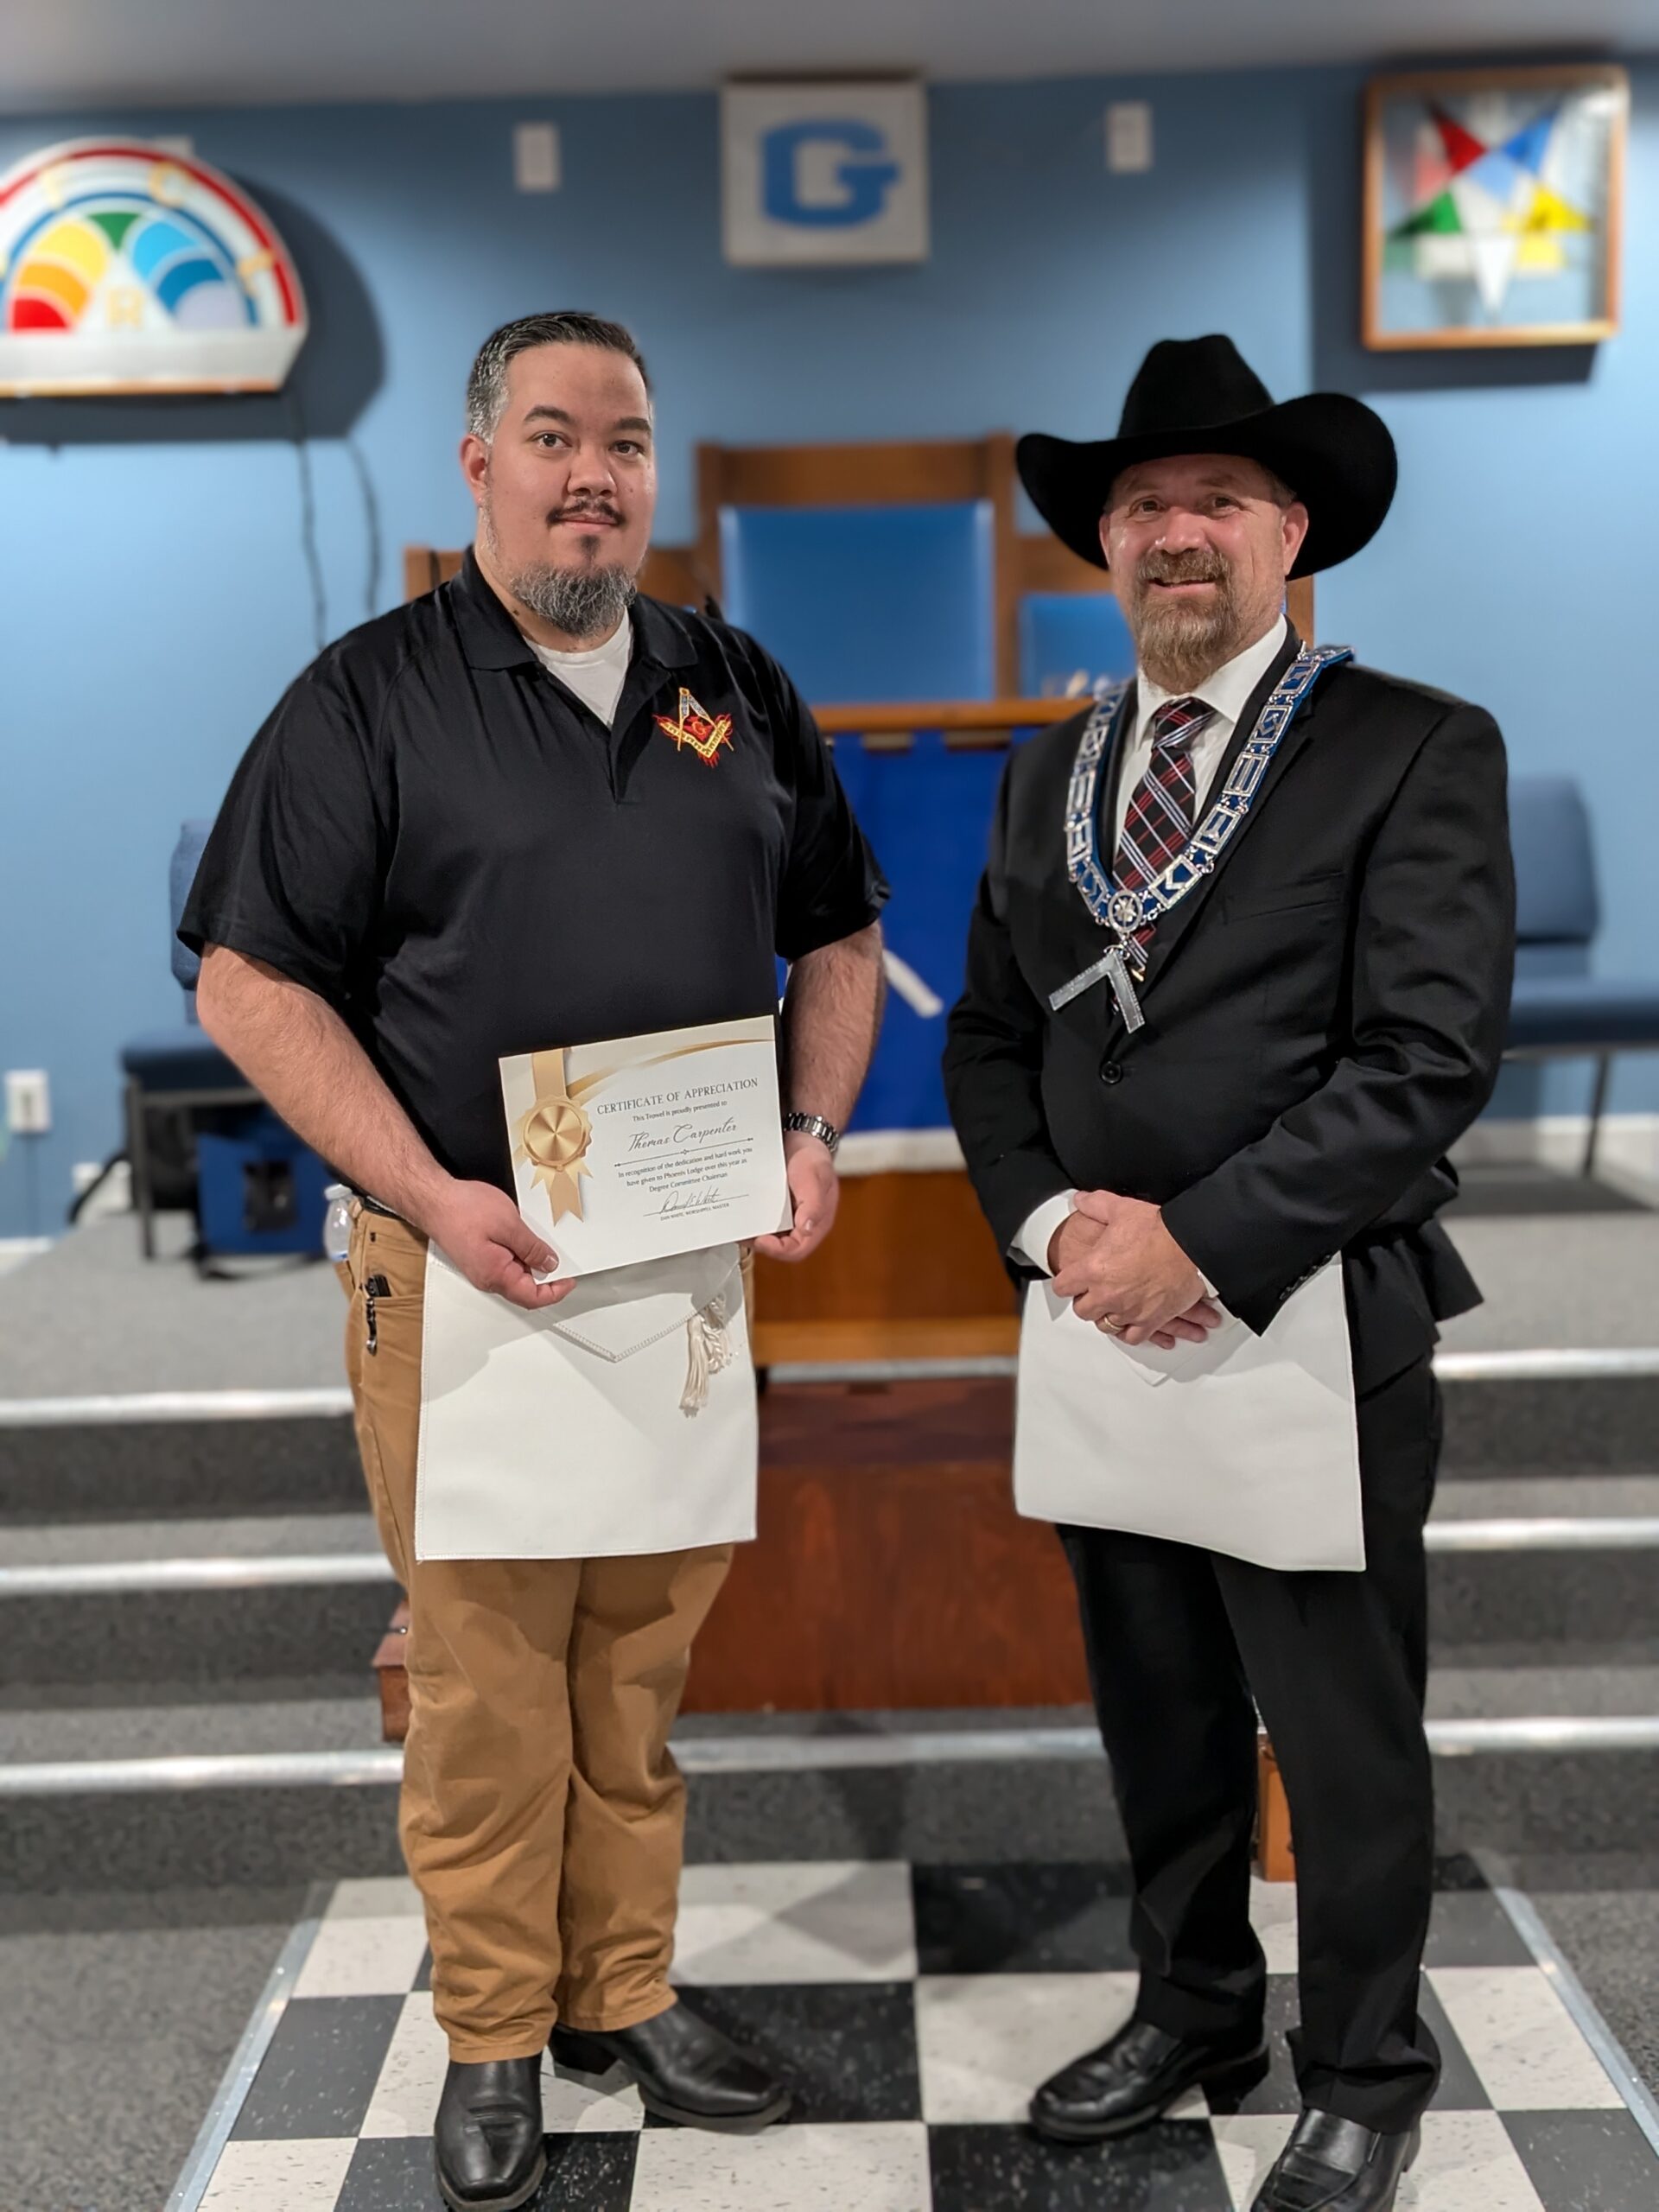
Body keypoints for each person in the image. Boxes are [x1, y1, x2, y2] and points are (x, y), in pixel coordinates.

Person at [185, 310, 887, 2212]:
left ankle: (621, 1996)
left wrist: (811, 1133)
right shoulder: (366, 699)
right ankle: (495, 2027)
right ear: (478, 463)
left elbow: (836, 930)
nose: (597, 475)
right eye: (557, 437)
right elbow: (248, 978)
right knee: (490, 1680)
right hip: (467, 1270)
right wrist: (419, 1183)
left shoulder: (730, 683)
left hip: (677, 1275)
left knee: (638, 1667)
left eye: (630, 441)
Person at [942, 334, 1515, 2212]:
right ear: (1104, 548)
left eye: (1215, 504)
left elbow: (1423, 1060)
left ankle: (1364, 2065)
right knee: (1159, 1711)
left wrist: (1203, 1235)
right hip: (1100, 1317)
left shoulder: (1414, 745)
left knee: (1342, 1736)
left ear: (1290, 533)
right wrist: (1058, 1231)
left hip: (1303, 1315)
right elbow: (992, 1046)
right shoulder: (1051, 775)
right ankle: (1195, 2006)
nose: (1176, 535)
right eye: (1142, 509)